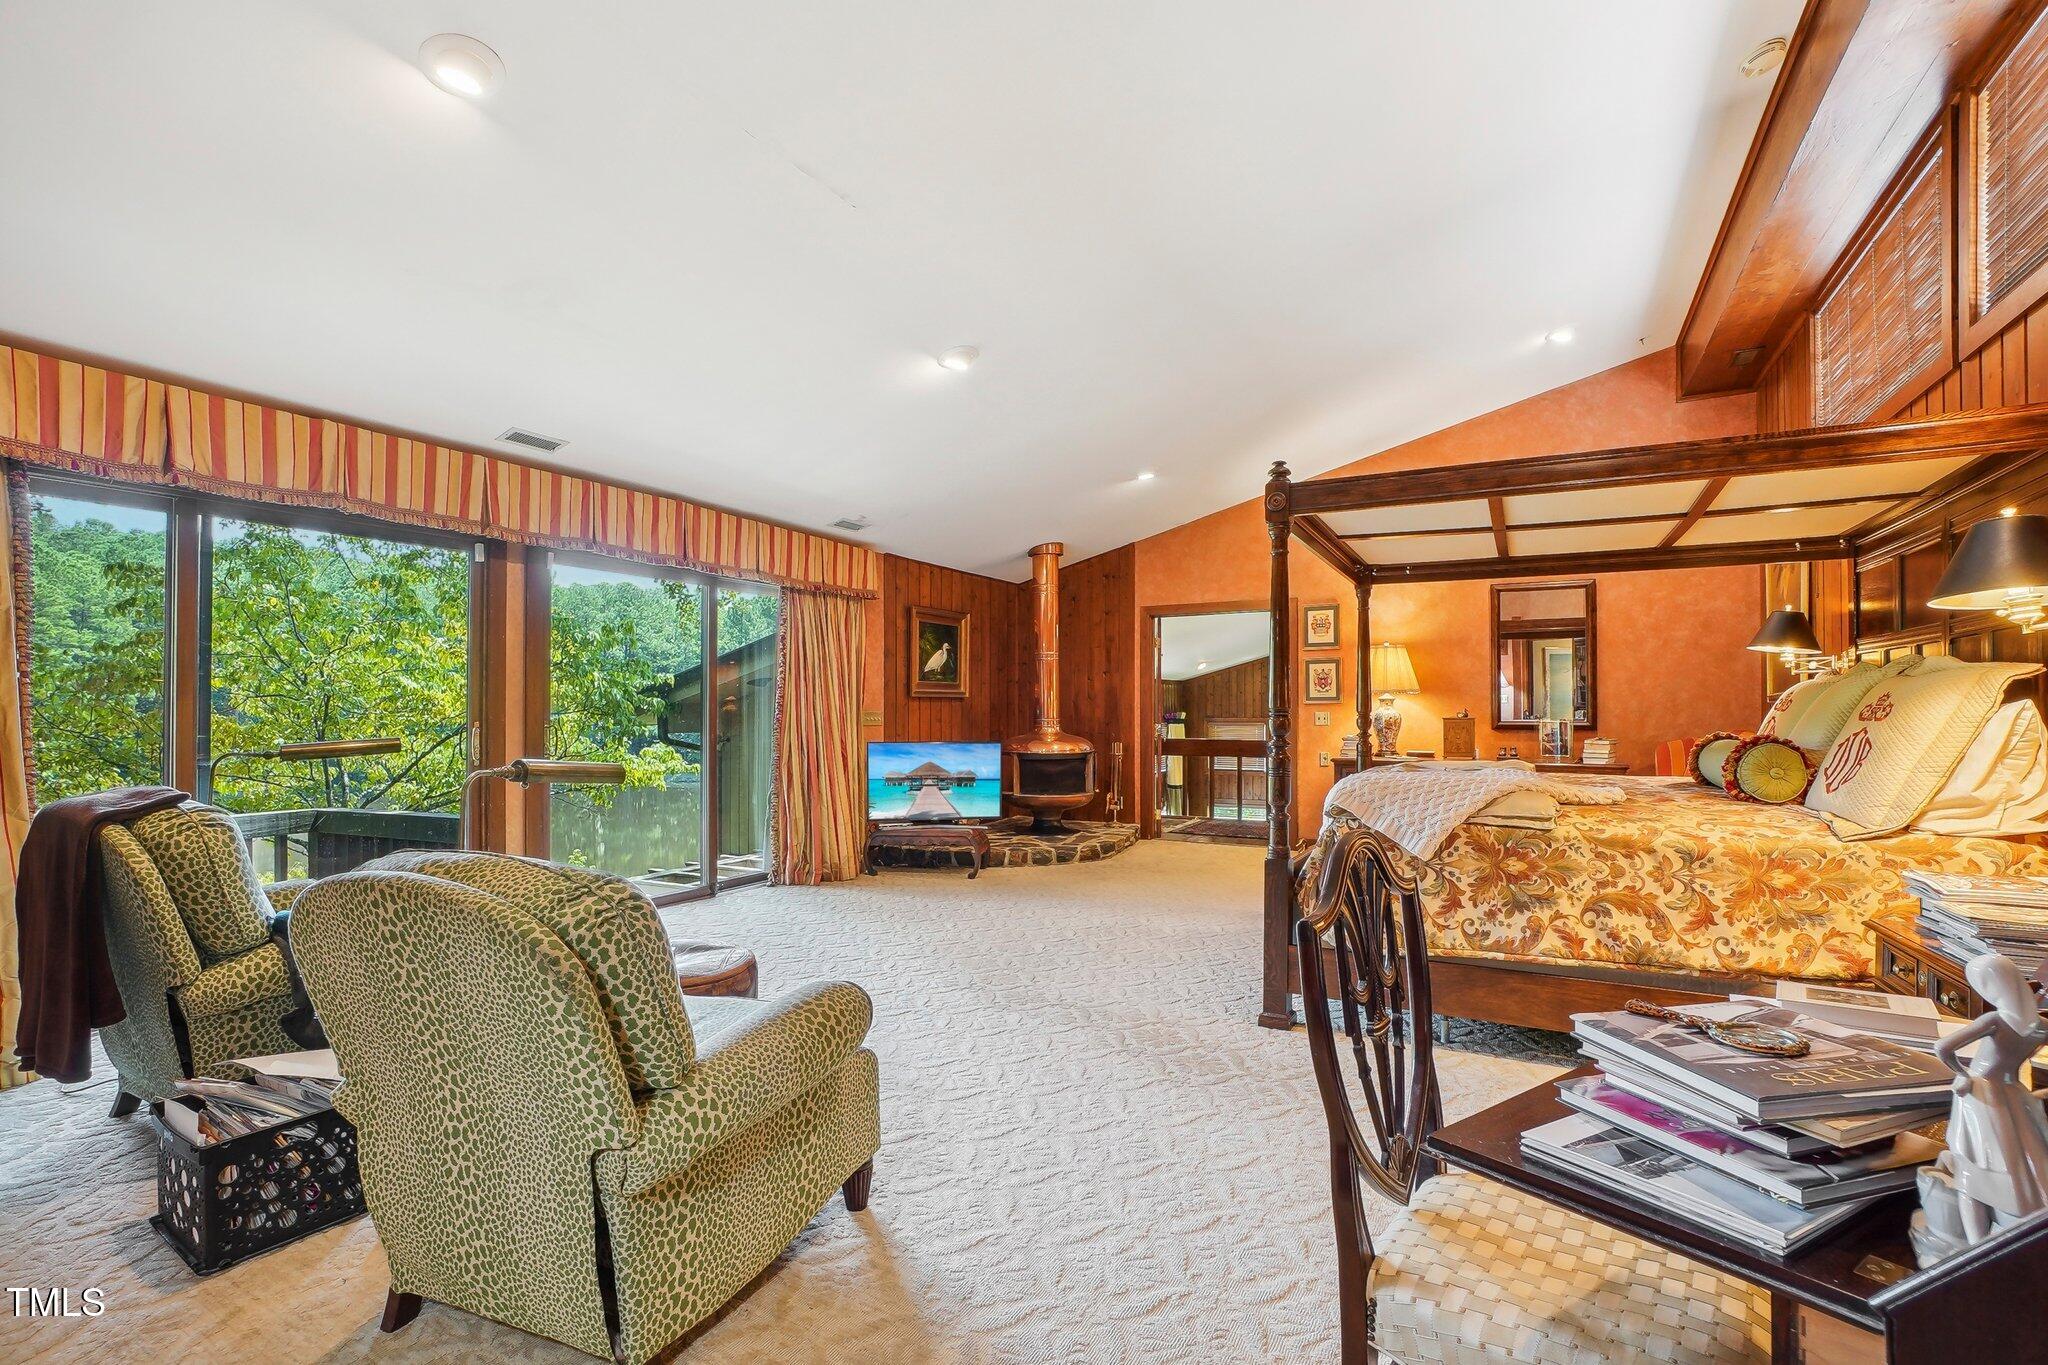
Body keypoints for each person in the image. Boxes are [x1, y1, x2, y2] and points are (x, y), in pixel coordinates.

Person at [1931, 953, 2048, 1243]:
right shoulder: (2038, 1026)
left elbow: (1943, 1047)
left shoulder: (1995, 1019)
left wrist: (1961, 1073)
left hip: (1980, 1093)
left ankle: (1974, 1248)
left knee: (1971, 1171)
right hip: (2012, 1092)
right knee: (2021, 1164)